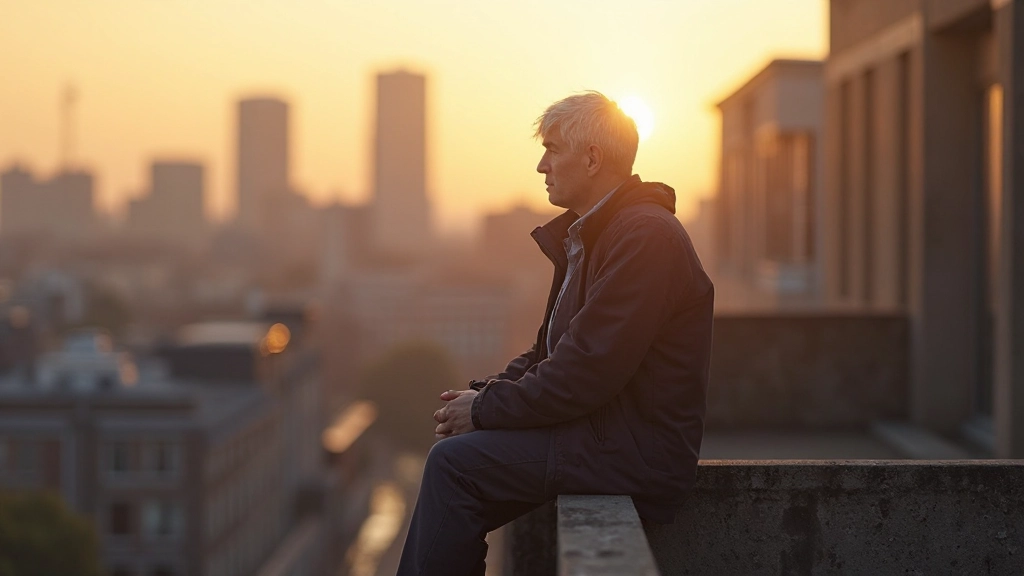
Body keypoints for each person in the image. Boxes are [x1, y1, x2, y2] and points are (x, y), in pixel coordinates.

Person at [397, 91, 714, 576]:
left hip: (633, 451)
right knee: (454, 464)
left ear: (592, 158)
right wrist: (481, 396)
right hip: (602, 435)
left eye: (552, 149)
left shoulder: (645, 236)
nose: (541, 166)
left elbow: (586, 371)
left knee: (453, 469)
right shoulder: (596, 235)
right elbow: (548, 353)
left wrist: (484, 410)